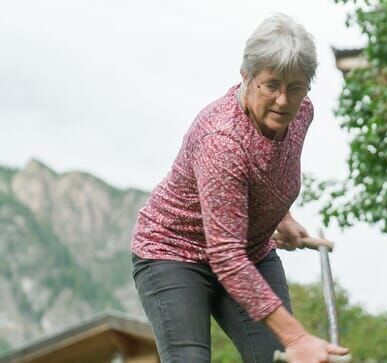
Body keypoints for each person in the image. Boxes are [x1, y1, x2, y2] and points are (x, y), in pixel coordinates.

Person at [131, 12, 349, 363]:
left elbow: (272, 166)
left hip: (248, 251)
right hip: (175, 252)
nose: (282, 100)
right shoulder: (222, 141)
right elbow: (226, 256)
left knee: (277, 358)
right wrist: (298, 337)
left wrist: (282, 215)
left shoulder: (301, 113)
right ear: (247, 77)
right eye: (271, 84)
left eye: (295, 87)